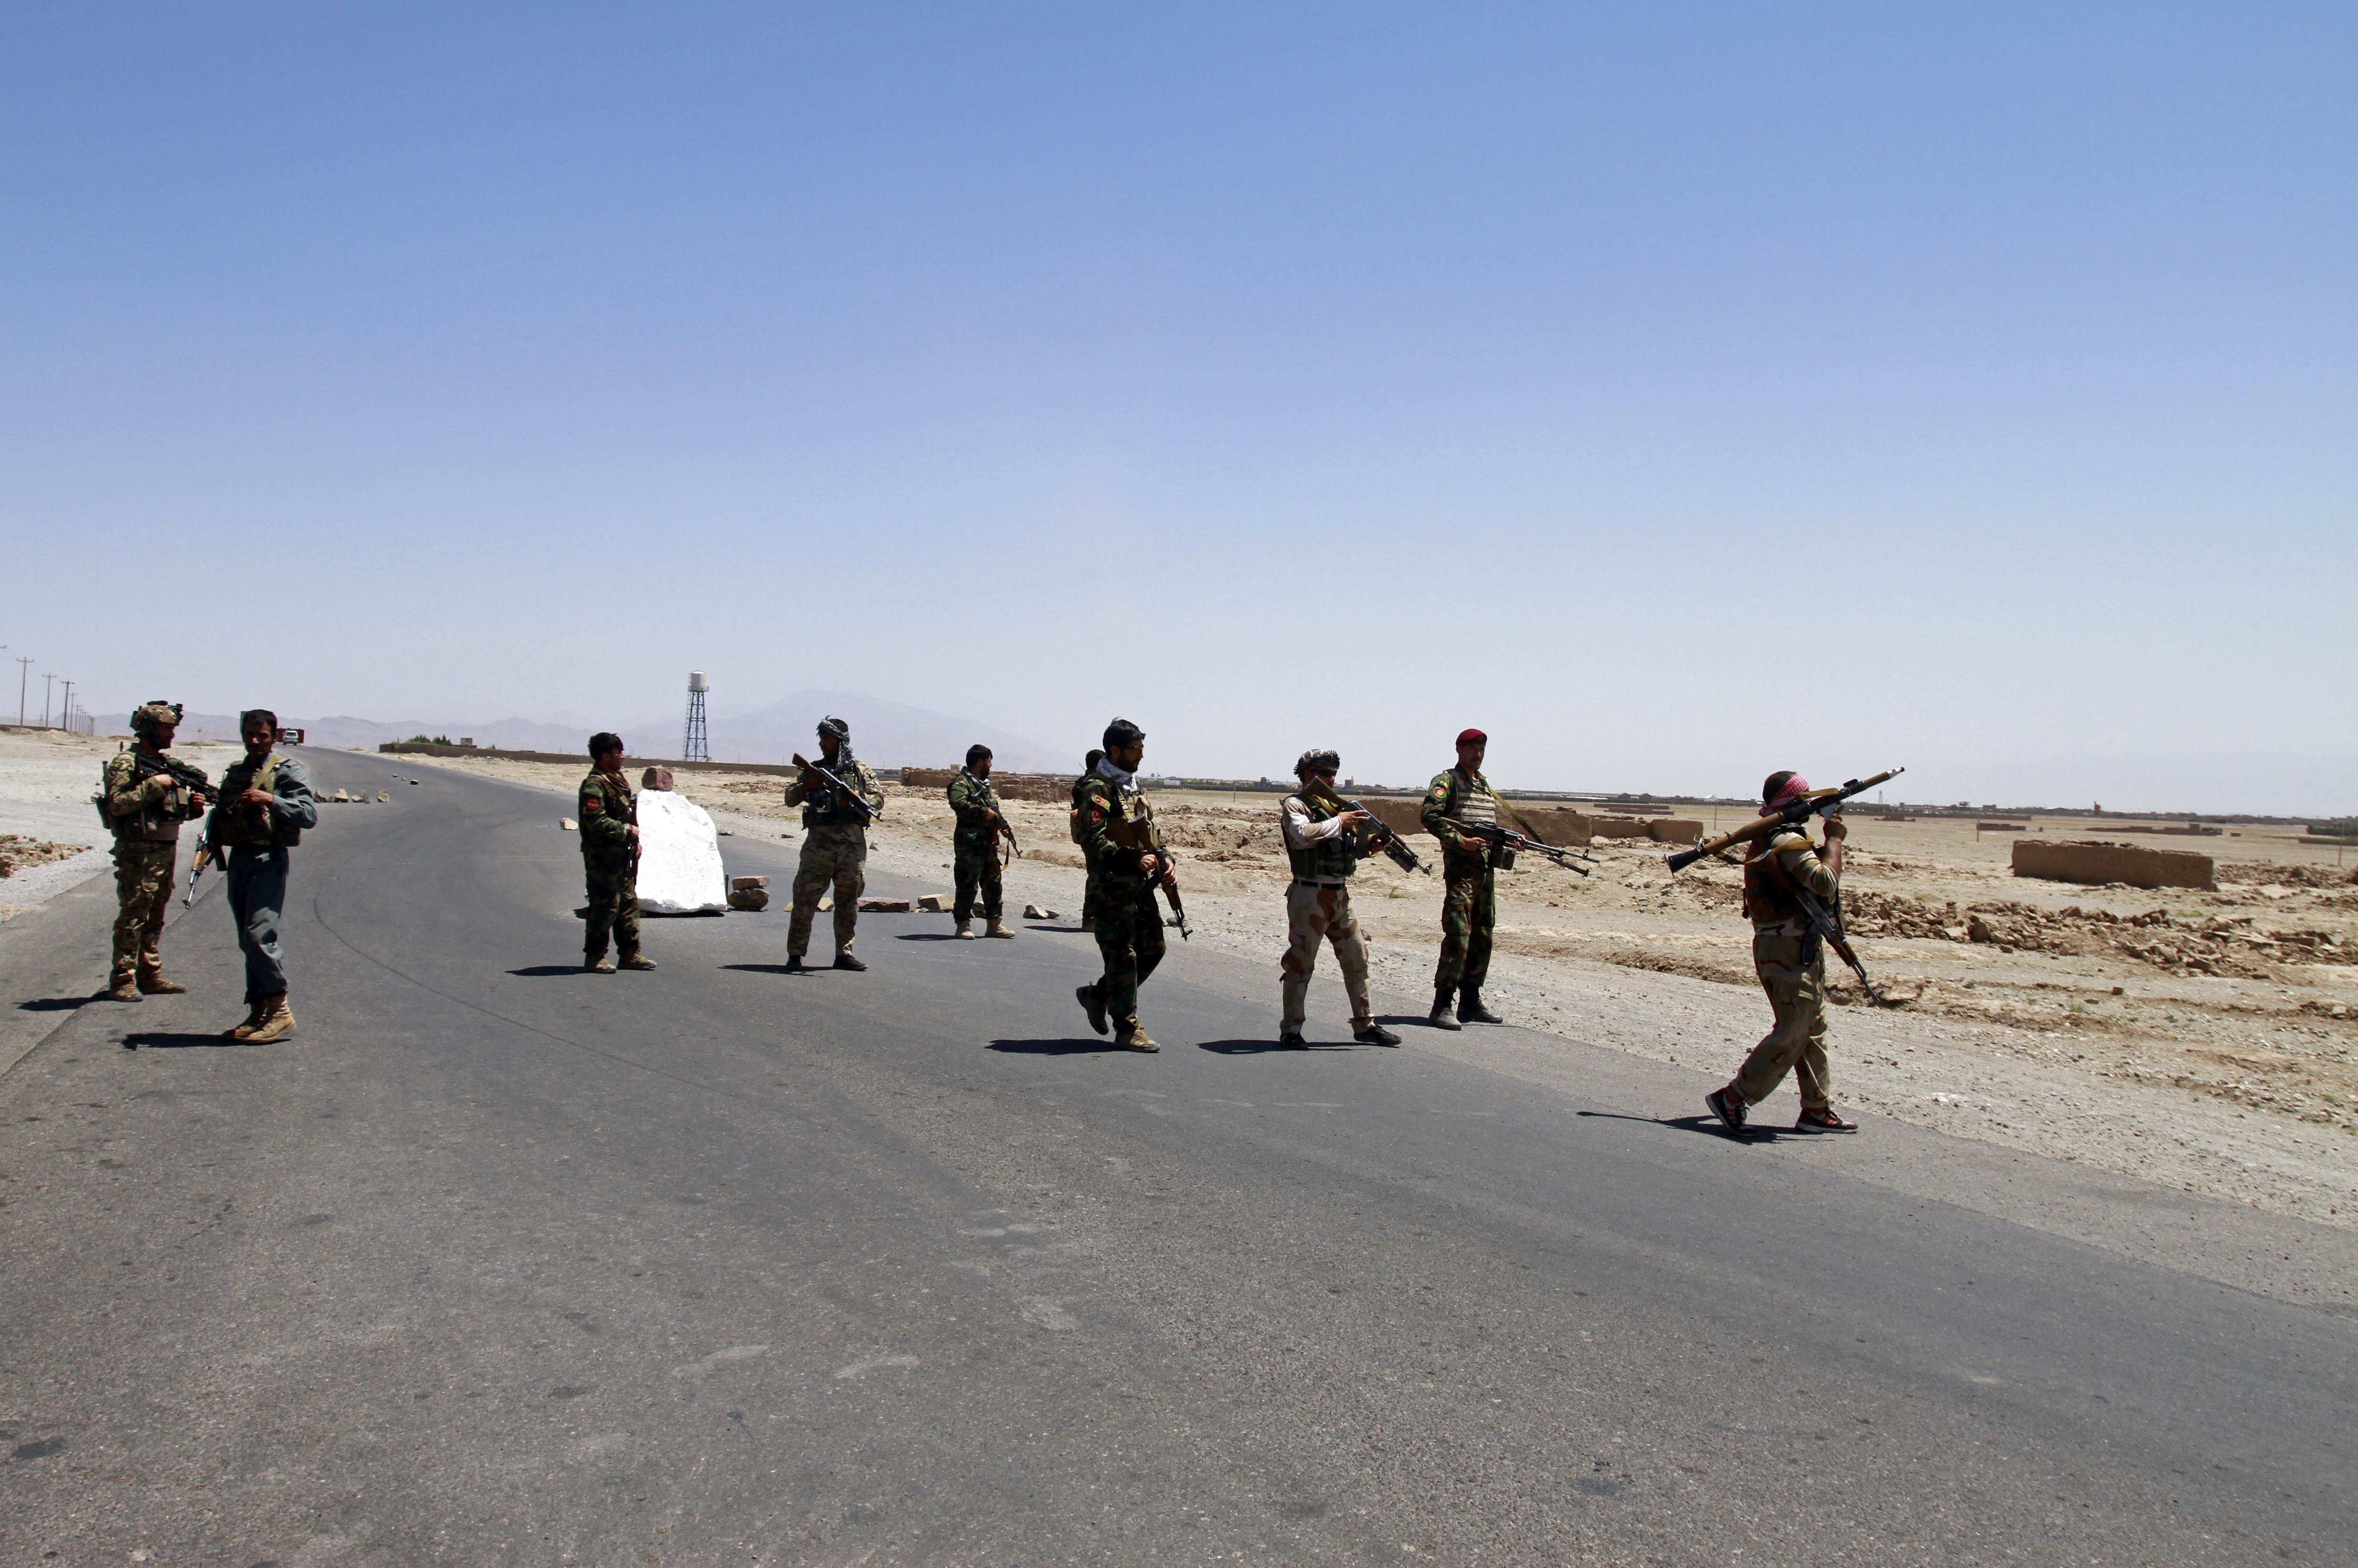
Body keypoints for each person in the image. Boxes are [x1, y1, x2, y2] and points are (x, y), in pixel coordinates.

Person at [1706, 772, 1859, 1133]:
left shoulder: (1772, 837)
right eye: (1803, 798)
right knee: (1793, 1029)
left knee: (1812, 1027)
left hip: (1791, 944)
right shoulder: (1785, 837)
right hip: (1786, 948)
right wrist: (1835, 841)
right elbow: (1824, 881)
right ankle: (1734, 1096)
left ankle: (1816, 1109)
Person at [206, 709, 319, 1040]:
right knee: (246, 938)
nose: (255, 741)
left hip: (268, 858)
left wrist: (270, 798)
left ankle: (280, 1009)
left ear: (274, 735)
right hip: (239, 857)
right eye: (249, 734)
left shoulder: (286, 771)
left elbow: (308, 814)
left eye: (262, 735)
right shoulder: (237, 772)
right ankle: (259, 1010)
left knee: (259, 935)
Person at [1278, 749, 1400, 1047]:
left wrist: (1373, 843)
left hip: (1339, 895)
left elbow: (1346, 846)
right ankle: (1291, 1030)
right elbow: (1301, 835)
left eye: (1334, 773)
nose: (1331, 778)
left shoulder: (1331, 806)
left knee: (1358, 959)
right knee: (1300, 965)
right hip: (1309, 894)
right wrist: (1340, 820)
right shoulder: (1297, 805)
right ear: (1307, 774)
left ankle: (1365, 1025)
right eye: (1324, 772)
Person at [98, 700, 211, 1001]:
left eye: (173, 729)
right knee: (134, 914)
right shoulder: (127, 763)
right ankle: (123, 979)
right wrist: (155, 785)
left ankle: (149, 974)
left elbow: (171, 811)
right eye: (165, 729)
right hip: (137, 851)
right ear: (147, 729)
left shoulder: (164, 766)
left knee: (156, 915)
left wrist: (194, 809)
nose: (171, 735)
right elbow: (118, 804)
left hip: (165, 847)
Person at [1072, 719, 1169, 1051]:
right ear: (1115, 751)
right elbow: (1091, 839)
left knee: (1154, 949)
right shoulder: (1096, 788)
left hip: (1140, 888)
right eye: (1134, 750)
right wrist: (1130, 857)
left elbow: (1150, 831)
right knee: (1122, 956)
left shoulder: (1131, 786)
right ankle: (1127, 1028)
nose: (1141, 756)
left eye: (1142, 749)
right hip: (1110, 887)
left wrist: (1165, 858)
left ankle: (1098, 995)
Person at [1418, 728, 1506, 1030]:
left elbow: (1488, 826)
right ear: (1459, 749)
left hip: (1485, 871)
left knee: (1483, 933)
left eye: (1481, 749)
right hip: (1461, 869)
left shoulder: (1483, 785)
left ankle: (1471, 999)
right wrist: (1460, 841)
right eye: (1472, 749)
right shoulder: (1447, 781)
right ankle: (1443, 1003)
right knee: (1458, 932)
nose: (1477, 755)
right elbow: (1431, 815)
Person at [784, 715, 883, 972]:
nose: (822, 743)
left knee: (848, 904)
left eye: (827, 738)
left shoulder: (860, 771)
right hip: (818, 849)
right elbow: (790, 799)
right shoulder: (811, 770)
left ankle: (844, 954)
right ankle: (795, 954)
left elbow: (877, 800)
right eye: (821, 738)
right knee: (805, 900)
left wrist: (851, 800)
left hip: (851, 850)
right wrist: (809, 784)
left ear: (840, 741)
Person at [578, 732, 656, 974]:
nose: (623, 756)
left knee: (628, 906)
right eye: (618, 752)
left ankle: (630, 954)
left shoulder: (616, 780)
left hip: (621, 856)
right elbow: (596, 822)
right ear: (605, 756)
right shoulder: (595, 785)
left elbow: (626, 815)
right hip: (602, 857)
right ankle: (595, 957)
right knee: (604, 907)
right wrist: (627, 831)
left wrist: (636, 841)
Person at [947, 744, 1016, 940]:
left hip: (988, 843)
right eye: (988, 761)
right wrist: (984, 813)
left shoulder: (983, 785)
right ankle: (963, 925)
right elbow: (958, 804)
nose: (991, 765)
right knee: (967, 885)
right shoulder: (961, 783)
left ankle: (995, 925)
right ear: (980, 762)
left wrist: (1001, 823)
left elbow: (993, 807)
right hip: (969, 844)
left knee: (993, 883)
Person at [1072, 748, 1106, 931]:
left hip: (1091, 835)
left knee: (1098, 875)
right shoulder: (1091, 784)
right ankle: (1090, 918)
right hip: (1092, 835)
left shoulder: (1087, 782)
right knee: (1096, 876)